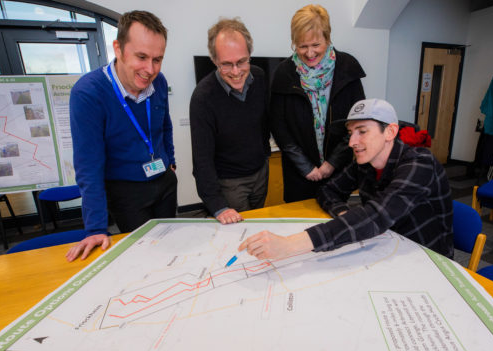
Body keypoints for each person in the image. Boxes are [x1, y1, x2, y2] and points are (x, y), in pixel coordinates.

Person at [238, 98, 454, 260]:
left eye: (362, 131)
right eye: (351, 133)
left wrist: (290, 245)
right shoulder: (366, 163)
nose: (352, 142)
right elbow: (328, 191)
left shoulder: (420, 163)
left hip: (426, 259)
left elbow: (377, 215)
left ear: (390, 132)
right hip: (387, 246)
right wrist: (343, 212)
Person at [67, 10, 177, 261]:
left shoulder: (158, 83)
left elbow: (164, 126)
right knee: (145, 257)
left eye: (158, 59)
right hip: (126, 192)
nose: (150, 69)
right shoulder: (89, 93)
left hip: (164, 182)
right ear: (118, 49)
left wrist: (171, 162)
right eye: (141, 57)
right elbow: (88, 165)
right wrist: (96, 228)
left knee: (172, 248)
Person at [270, 4, 366, 203]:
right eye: (302, 46)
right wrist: (306, 167)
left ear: (328, 38)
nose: (309, 53)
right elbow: (279, 127)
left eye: (316, 45)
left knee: (334, 221)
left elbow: (357, 123)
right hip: (299, 173)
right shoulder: (284, 73)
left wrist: (331, 164)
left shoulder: (347, 68)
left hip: (338, 170)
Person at [190, 18, 270, 224]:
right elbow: (202, 159)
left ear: (250, 55)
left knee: (257, 223)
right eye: (226, 64)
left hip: (260, 173)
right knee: (238, 232)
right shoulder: (203, 98)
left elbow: (264, 124)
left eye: (242, 62)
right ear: (215, 60)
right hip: (230, 183)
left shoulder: (259, 77)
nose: (236, 72)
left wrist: (265, 155)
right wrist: (217, 205)